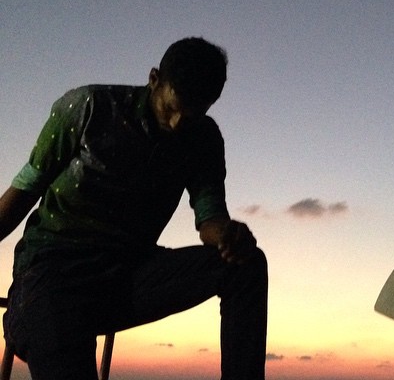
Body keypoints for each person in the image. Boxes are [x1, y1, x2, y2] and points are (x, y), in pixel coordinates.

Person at [0, 37, 268, 380]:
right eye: (171, 108)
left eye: (191, 115)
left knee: (246, 266)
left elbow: (209, 217)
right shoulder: (88, 107)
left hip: (129, 273)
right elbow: (24, 189)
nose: (176, 124)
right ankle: (32, 315)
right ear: (154, 78)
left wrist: (229, 236)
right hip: (54, 271)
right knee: (58, 340)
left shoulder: (204, 139)